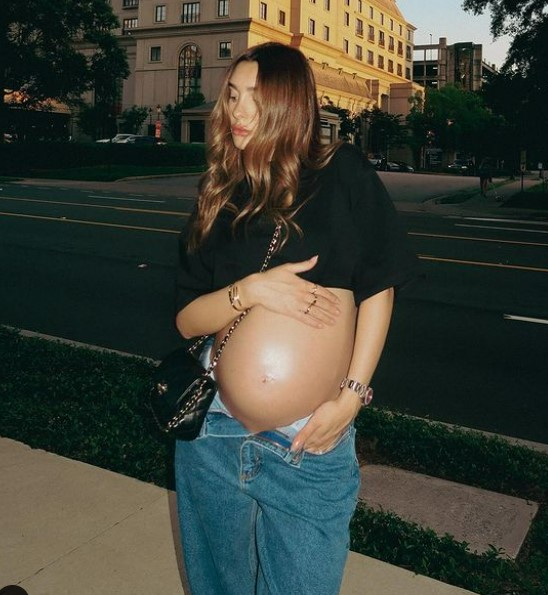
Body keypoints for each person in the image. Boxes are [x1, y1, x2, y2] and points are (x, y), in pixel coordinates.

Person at [174, 42, 418, 595]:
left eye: (257, 99)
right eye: (233, 96)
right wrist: (251, 291)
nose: (239, 112)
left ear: (290, 106)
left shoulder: (342, 171)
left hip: (309, 442)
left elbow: (380, 286)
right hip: (214, 432)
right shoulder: (218, 195)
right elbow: (187, 320)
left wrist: (350, 398)